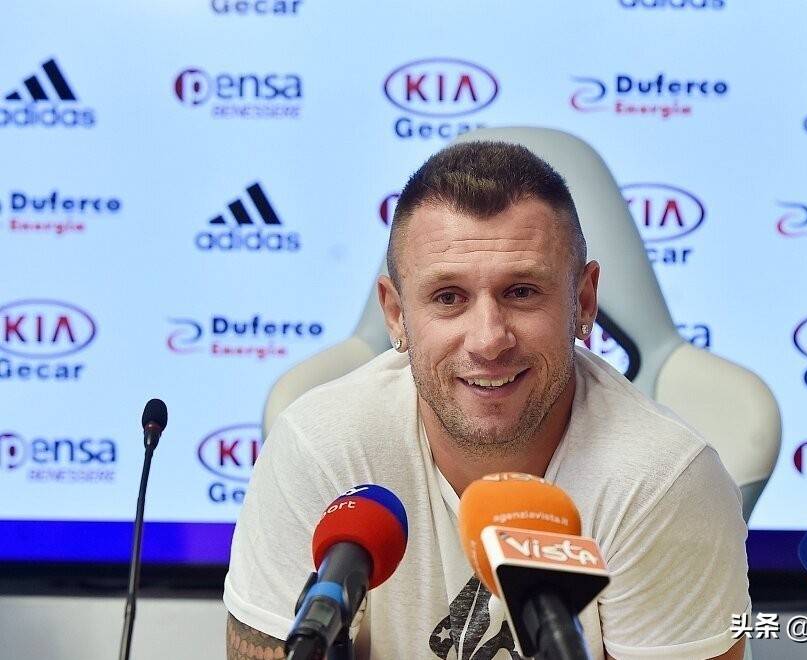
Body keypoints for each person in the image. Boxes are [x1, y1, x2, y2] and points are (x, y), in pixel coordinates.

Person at [224, 141, 749, 659]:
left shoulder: (661, 481)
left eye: (521, 292)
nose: (489, 339)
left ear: (584, 301)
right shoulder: (321, 448)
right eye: (448, 297)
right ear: (396, 315)